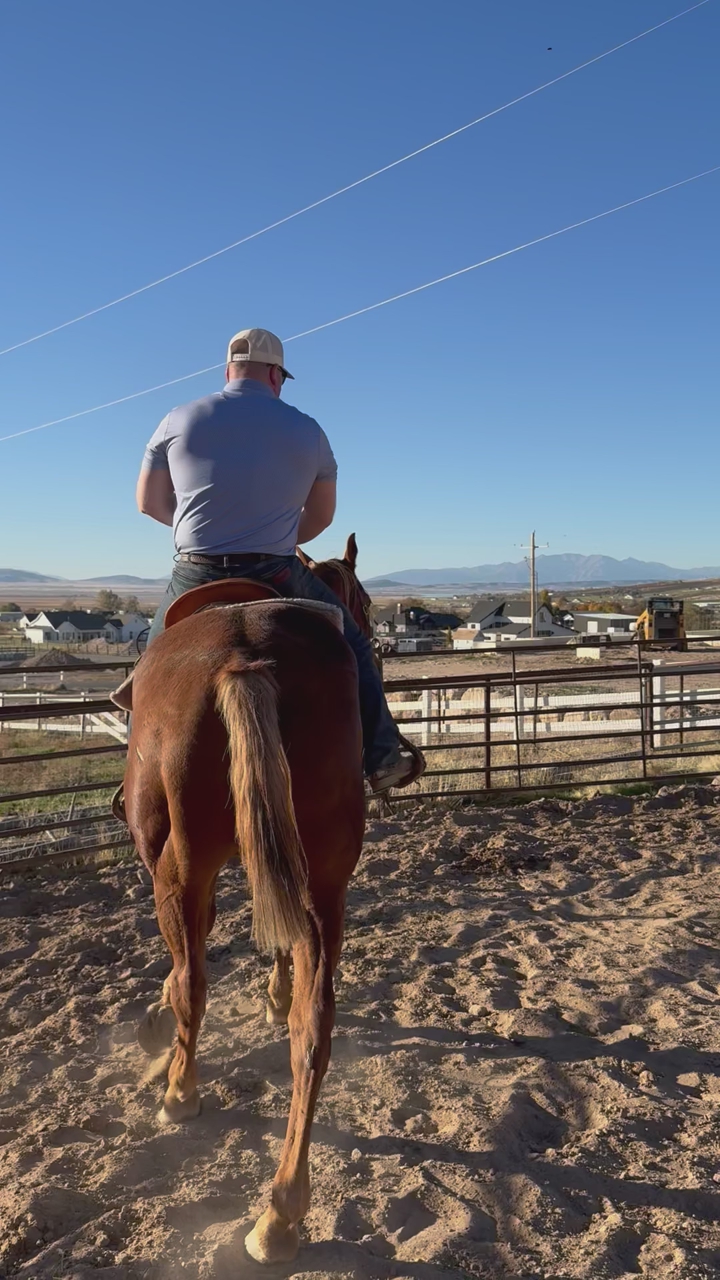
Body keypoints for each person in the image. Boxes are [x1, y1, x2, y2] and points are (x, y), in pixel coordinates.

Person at [134, 327, 420, 792]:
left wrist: (202, 531)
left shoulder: (177, 419)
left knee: (148, 668)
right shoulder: (308, 430)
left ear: (228, 370)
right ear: (274, 375)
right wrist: (279, 535)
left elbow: (148, 502)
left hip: (195, 570)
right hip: (276, 569)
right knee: (354, 646)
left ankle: (136, 778)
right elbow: (321, 518)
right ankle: (383, 756)